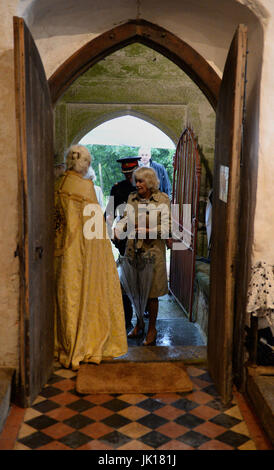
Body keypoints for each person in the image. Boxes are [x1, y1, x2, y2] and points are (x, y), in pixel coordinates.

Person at [54, 144, 128, 370]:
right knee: (85, 294)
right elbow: (94, 230)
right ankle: (83, 344)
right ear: (85, 163)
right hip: (84, 254)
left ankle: (65, 343)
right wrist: (103, 258)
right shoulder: (84, 189)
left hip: (61, 251)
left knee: (67, 297)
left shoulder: (60, 184)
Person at [115, 167, 172, 346]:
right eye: (136, 181)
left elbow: (168, 228)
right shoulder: (132, 198)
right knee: (135, 290)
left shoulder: (162, 200)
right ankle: (139, 325)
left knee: (152, 293)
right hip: (133, 251)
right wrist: (118, 229)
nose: (137, 184)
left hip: (153, 253)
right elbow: (124, 219)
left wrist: (148, 231)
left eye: (141, 181)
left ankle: (152, 328)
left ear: (150, 182)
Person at [105, 155, 141, 329]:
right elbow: (109, 213)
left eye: (131, 172)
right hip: (125, 239)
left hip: (144, 240)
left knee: (143, 280)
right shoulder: (117, 189)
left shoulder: (146, 187)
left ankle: (143, 316)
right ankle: (127, 319)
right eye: (126, 173)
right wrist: (112, 232)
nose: (129, 176)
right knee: (125, 281)